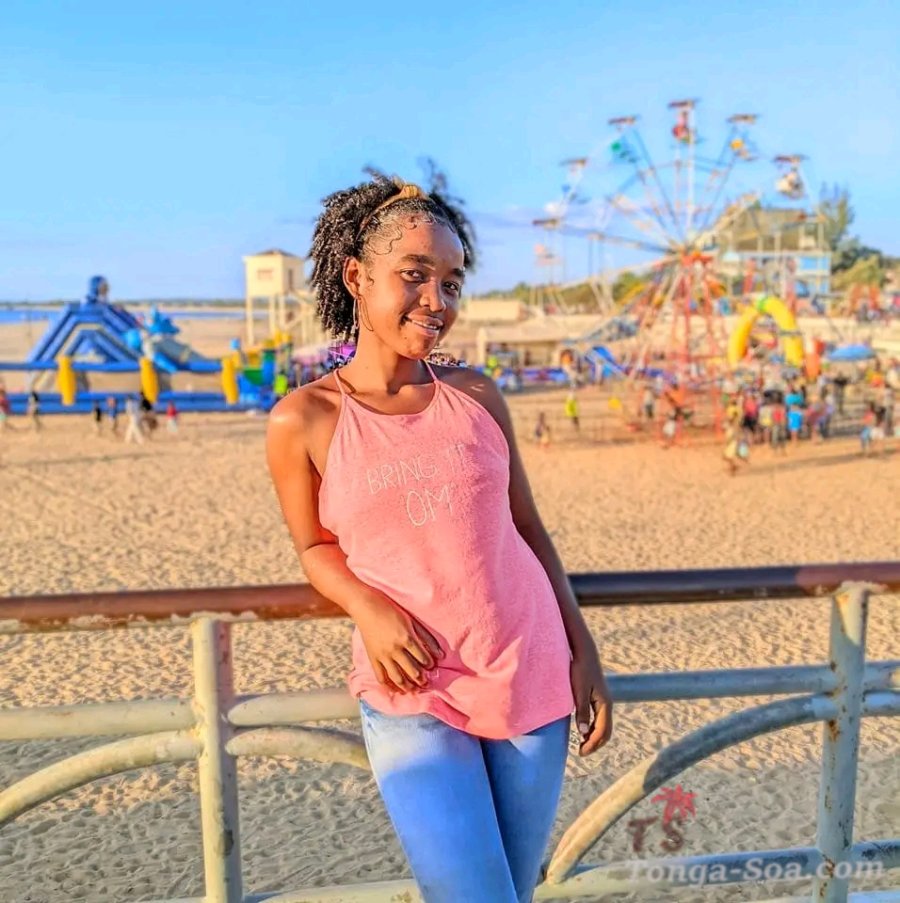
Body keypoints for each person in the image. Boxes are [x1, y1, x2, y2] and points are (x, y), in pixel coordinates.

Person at [266, 174, 612, 903]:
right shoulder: (304, 419)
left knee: (511, 891)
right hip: (410, 685)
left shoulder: (476, 394)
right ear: (356, 277)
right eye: (414, 275)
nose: (436, 300)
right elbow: (314, 548)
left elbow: (526, 527)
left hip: (528, 668)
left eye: (451, 283)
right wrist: (368, 608)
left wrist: (582, 647)